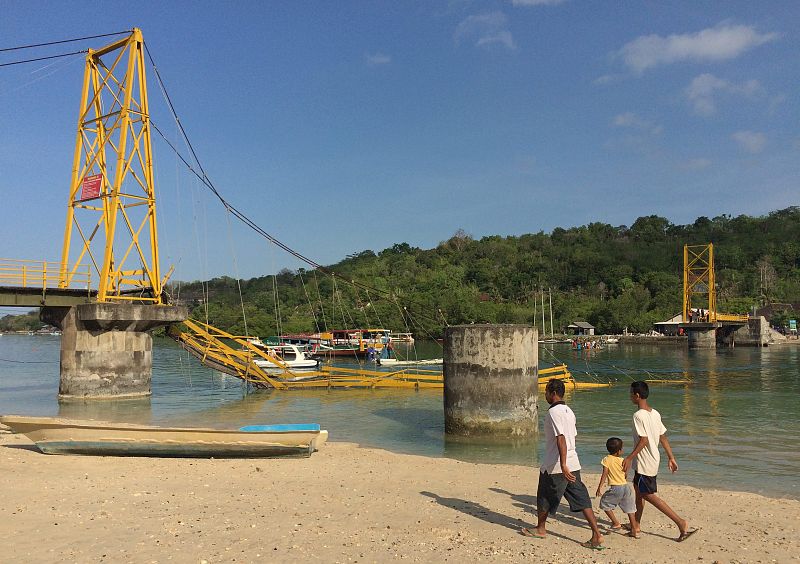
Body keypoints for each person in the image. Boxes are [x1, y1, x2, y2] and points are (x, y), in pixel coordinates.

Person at [521, 379, 605, 550]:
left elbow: (561, 439)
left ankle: (540, 528)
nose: (544, 395)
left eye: (545, 392)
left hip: (557, 464)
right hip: (574, 462)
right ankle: (597, 534)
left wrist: (563, 464)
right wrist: (568, 463)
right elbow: (572, 436)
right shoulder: (569, 411)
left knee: (544, 496)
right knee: (581, 498)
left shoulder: (553, 412)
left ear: (553, 393)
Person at [622, 381, 698, 542]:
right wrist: (671, 457)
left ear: (637, 395)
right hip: (651, 458)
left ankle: (680, 522)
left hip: (645, 461)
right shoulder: (654, 413)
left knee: (647, 494)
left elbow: (643, 440)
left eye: (631, 393)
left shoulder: (638, 416)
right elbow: (663, 436)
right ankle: (636, 525)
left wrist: (629, 458)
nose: (629, 396)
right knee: (638, 491)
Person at [595, 437, 639, 538]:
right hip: (626, 487)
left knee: (604, 503)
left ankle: (615, 523)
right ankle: (634, 529)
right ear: (619, 451)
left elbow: (604, 474)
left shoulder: (606, 460)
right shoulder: (623, 460)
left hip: (616, 488)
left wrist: (599, 487)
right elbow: (625, 475)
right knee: (630, 508)